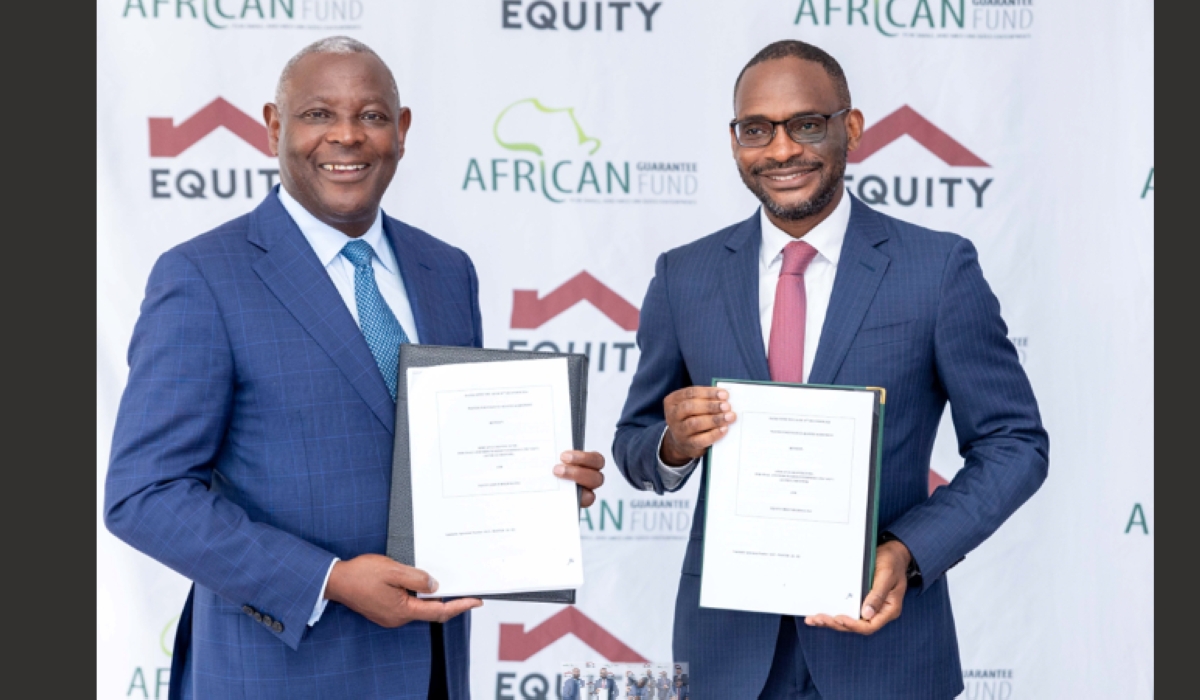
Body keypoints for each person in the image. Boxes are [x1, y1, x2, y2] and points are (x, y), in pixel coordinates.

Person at [104, 36, 606, 700]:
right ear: (274, 127)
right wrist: (328, 580)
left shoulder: (446, 271)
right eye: (318, 115)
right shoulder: (202, 277)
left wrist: (538, 488)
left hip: (432, 671)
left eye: (370, 116)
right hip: (278, 675)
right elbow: (144, 496)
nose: (346, 136)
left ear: (400, 132)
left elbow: (449, 457)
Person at [612, 39, 1048, 699]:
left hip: (885, 649)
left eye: (806, 125)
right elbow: (635, 445)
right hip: (728, 653)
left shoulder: (936, 269)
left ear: (851, 128)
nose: (781, 149)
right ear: (735, 142)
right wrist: (672, 443)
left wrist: (907, 551)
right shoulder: (684, 276)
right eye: (756, 129)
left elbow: (1015, 444)